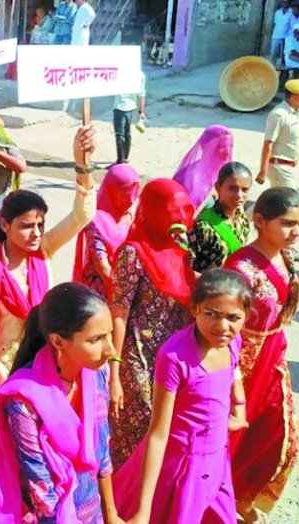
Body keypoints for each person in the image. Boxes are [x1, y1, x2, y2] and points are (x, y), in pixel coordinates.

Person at [0, 127, 96, 452]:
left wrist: (82, 163)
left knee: (37, 449)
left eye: (40, 225)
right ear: (4, 225)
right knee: (0, 449)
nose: (36, 232)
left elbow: (83, 214)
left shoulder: (43, 253)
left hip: (41, 367)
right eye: (26, 226)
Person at [224, 188, 299, 520]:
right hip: (243, 365)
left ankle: (241, 499)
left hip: (272, 358)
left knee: (280, 439)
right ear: (260, 222)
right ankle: (222, 501)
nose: (296, 232)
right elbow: (222, 324)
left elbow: (288, 301)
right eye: (288, 224)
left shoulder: (284, 256)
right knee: (233, 437)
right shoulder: (240, 268)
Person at [0, 282, 119, 523]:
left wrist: (112, 515)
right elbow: (42, 490)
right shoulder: (23, 402)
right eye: (96, 339)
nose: (110, 349)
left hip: (92, 511)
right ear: (58, 341)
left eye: (110, 335)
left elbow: (102, 454)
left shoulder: (97, 374)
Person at [114, 269, 251, 523]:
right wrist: (143, 510)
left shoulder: (232, 341)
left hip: (218, 460)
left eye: (233, 317)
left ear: (245, 316)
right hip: (183, 468)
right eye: (212, 314)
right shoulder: (175, 357)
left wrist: (239, 405)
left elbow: (235, 370)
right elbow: (157, 433)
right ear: (195, 308)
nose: (223, 326)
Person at [108, 179, 195, 468]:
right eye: (172, 212)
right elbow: (118, 313)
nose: (179, 219)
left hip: (175, 357)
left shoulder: (181, 249)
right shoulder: (133, 253)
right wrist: (115, 372)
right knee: (138, 430)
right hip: (139, 359)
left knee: (168, 430)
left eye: (183, 211)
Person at [73, 163, 141, 300]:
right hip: (102, 294)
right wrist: (125, 297)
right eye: (124, 194)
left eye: (134, 193)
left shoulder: (135, 211)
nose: (131, 199)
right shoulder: (97, 222)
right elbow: (103, 268)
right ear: (111, 192)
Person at [189, 162, 252, 272]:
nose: (239, 195)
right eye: (232, 188)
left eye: (245, 190)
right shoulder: (203, 226)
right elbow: (185, 267)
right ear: (218, 187)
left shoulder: (242, 220)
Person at [257, 79, 299, 189]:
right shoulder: (279, 115)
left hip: (290, 167)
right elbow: (268, 144)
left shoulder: (297, 113)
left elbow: (296, 139)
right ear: (295, 98)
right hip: (279, 167)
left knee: (278, 202)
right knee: (289, 202)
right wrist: (263, 172)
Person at [173, 125, 234, 211]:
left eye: (230, 146)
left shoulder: (222, 173)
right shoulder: (191, 180)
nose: (226, 153)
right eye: (219, 147)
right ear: (205, 146)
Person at [112, 71, 146, 164]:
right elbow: (142, 94)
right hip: (131, 107)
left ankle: (120, 161)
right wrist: (141, 112)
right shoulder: (140, 75)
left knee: (119, 135)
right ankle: (125, 157)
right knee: (127, 132)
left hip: (119, 107)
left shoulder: (119, 73)